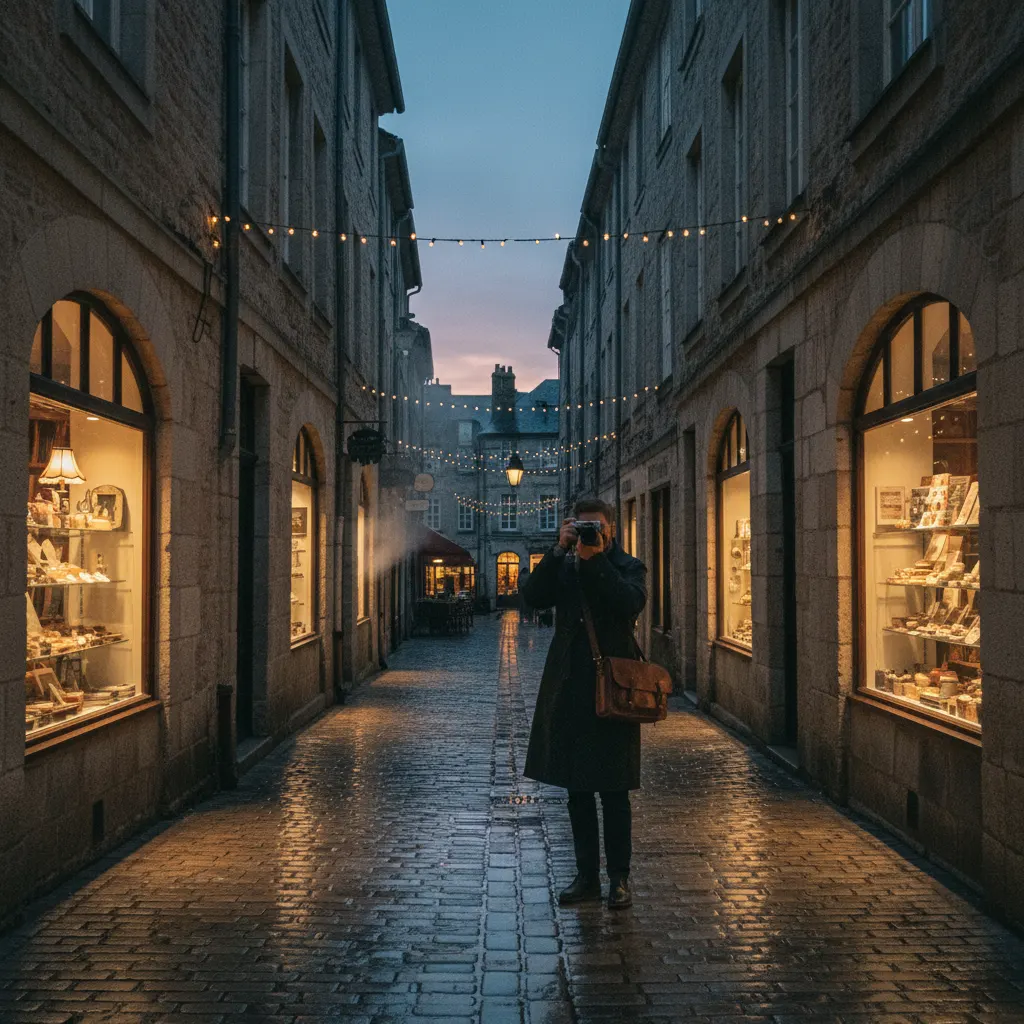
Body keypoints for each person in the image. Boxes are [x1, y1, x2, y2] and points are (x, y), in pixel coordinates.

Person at [521, 497, 647, 909]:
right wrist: (558, 550)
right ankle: (586, 876)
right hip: (571, 687)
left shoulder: (629, 567)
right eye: (583, 527)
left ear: (611, 530)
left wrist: (594, 561)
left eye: (596, 527)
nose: (590, 534)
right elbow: (533, 596)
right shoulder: (566, 566)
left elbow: (628, 603)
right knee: (577, 790)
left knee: (614, 791)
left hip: (614, 690)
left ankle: (620, 878)